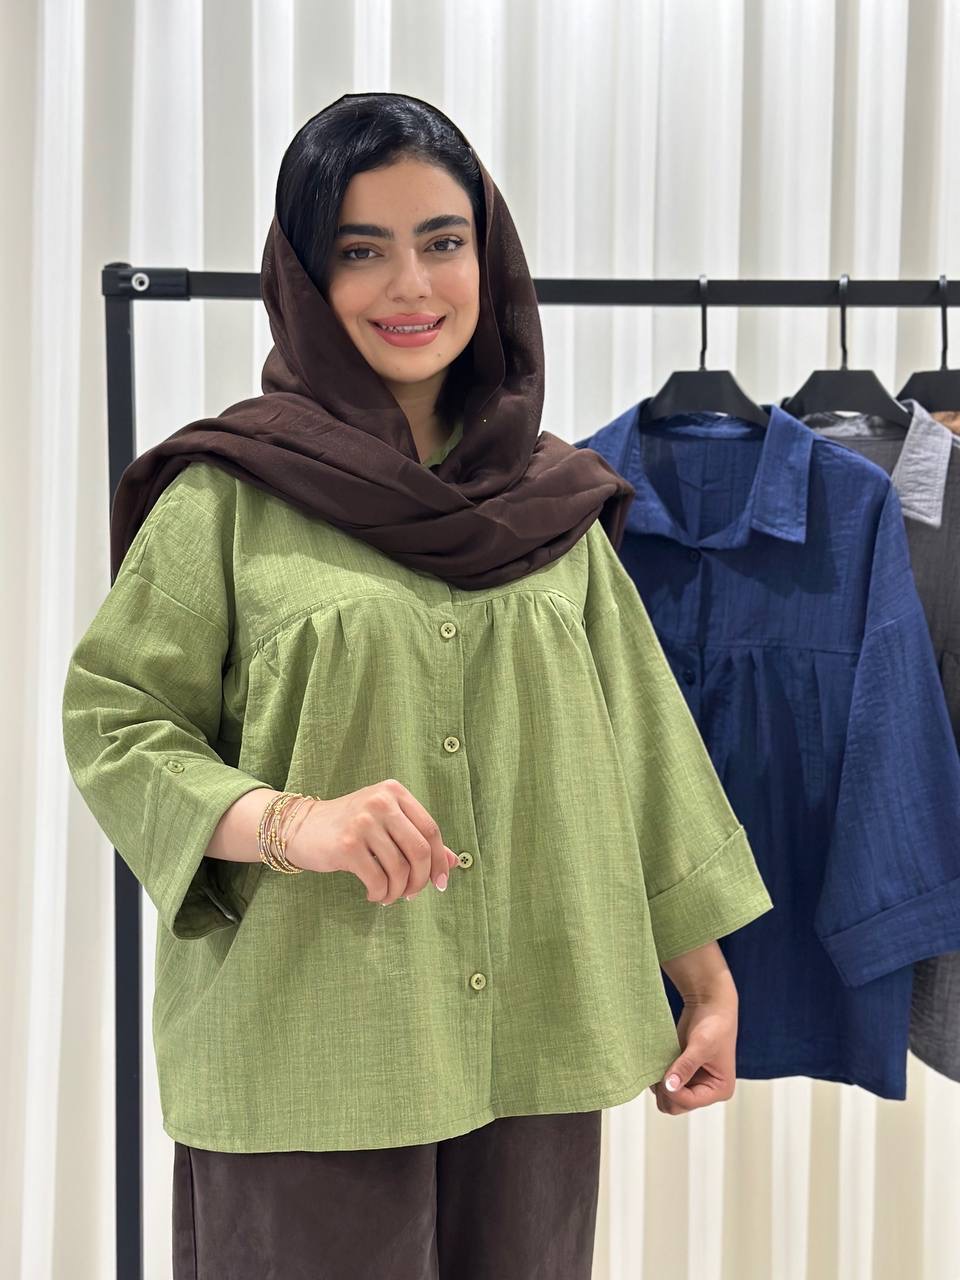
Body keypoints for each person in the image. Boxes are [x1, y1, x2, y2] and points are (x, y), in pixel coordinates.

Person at [61, 92, 773, 1280]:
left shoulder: (553, 504)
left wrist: (704, 978)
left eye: (443, 241)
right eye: (361, 249)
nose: (411, 285)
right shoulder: (229, 496)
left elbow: (644, 746)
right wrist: (293, 821)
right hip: (308, 1052)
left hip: (536, 1036)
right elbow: (116, 723)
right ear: (304, 276)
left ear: (489, 259)